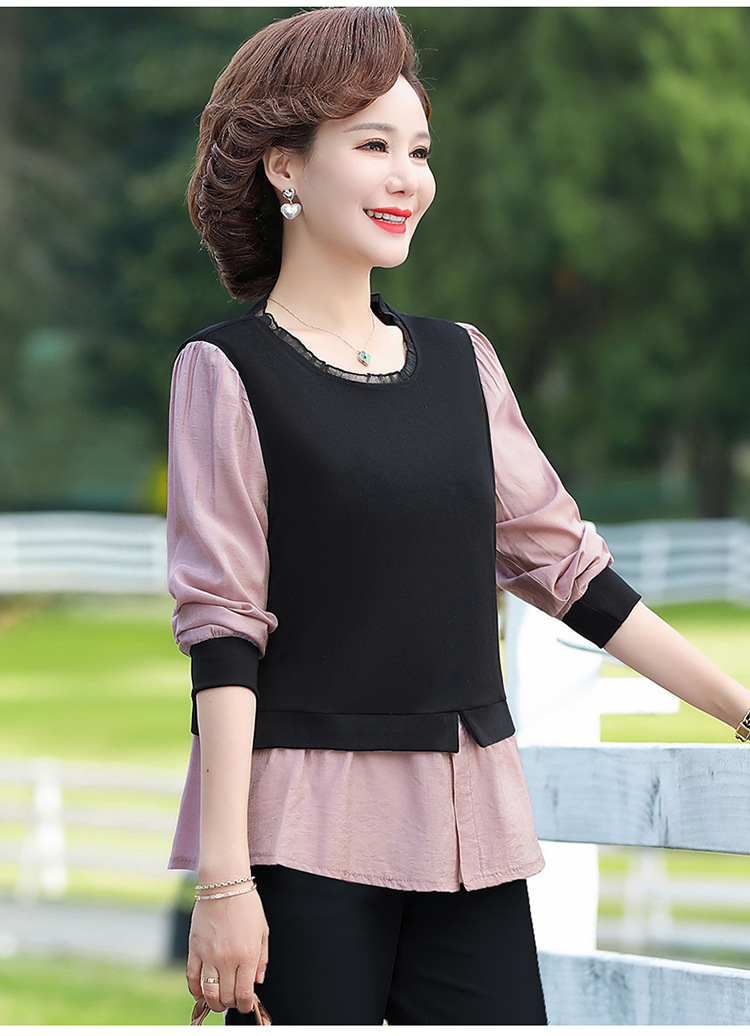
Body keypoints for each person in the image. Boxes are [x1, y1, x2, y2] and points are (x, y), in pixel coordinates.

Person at [166, 7, 750, 1026]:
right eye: (373, 146)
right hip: (300, 829)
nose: (408, 178)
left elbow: (573, 575)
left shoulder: (463, 362)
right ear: (284, 166)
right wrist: (225, 883)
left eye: (421, 151)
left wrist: (741, 708)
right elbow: (222, 635)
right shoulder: (225, 372)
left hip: (467, 827)